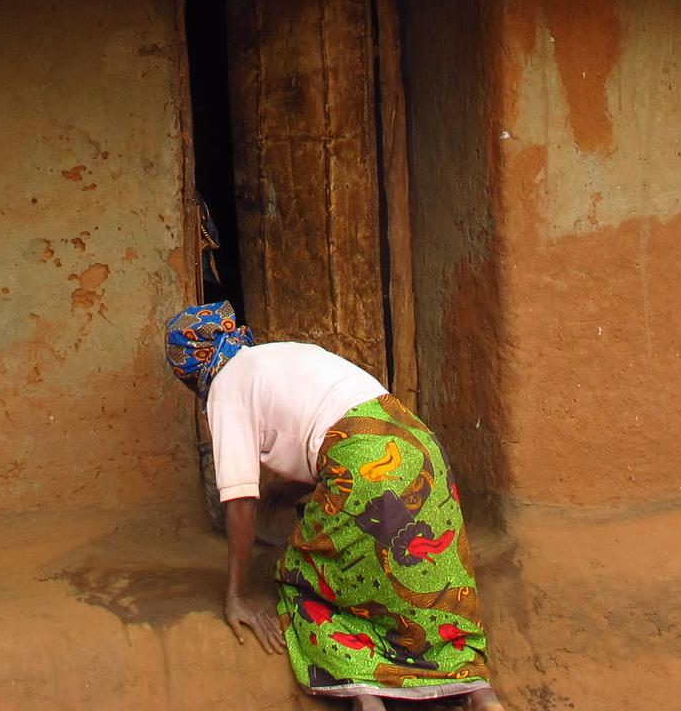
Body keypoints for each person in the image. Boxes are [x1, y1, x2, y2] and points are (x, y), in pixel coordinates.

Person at [166, 302, 503, 709]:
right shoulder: (281, 354)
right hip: (421, 452)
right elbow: (335, 428)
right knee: (438, 579)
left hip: (367, 473)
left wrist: (235, 595)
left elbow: (239, 502)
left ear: (190, 367)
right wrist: (286, 493)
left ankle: (364, 690)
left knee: (301, 577)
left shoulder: (226, 388)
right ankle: (479, 692)